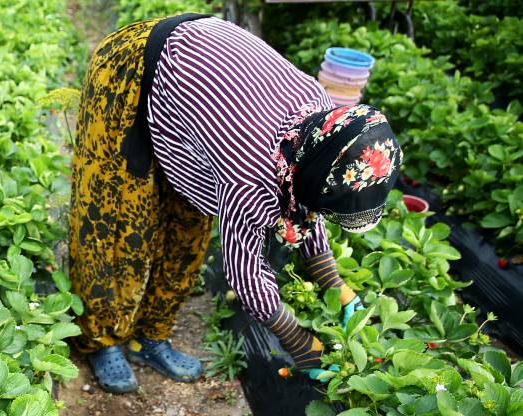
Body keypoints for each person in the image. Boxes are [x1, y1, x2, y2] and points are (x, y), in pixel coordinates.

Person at [69, 14, 402, 393]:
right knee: (116, 216)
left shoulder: (326, 128)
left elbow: (310, 204)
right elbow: (245, 276)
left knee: (189, 225)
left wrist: (336, 286)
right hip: (135, 66)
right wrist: (297, 341)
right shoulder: (249, 173)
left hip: (193, 91)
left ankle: (150, 337)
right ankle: (103, 339)